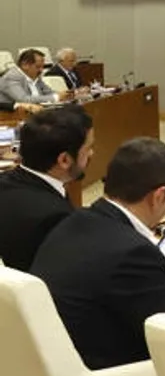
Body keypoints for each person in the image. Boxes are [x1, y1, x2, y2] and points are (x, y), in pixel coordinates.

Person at [30, 137, 165, 370]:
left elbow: (108, 286)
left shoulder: (73, 221)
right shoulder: (135, 254)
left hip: (52, 362)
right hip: (108, 375)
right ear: (158, 196)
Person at [0, 106, 93, 271]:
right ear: (64, 160)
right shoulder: (56, 217)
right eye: (88, 148)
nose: (92, 153)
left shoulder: (5, 181)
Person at [0, 49, 72, 107]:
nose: (41, 70)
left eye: (42, 67)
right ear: (25, 65)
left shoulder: (35, 76)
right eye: (38, 66)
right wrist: (56, 97)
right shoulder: (11, 78)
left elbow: (49, 92)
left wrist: (66, 95)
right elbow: (24, 99)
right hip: (12, 116)